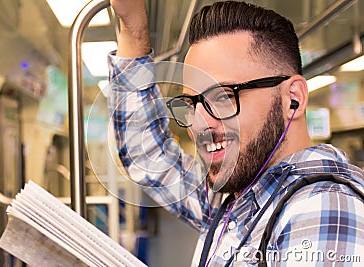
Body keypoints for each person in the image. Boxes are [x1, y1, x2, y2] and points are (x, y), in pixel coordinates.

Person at [107, 0, 364, 266]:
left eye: (224, 97)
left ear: (292, 99)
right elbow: (146, 152)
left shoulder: (323, 207)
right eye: (191, 104)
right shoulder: (238, 198)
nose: (200, 124)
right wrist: (132, 27)